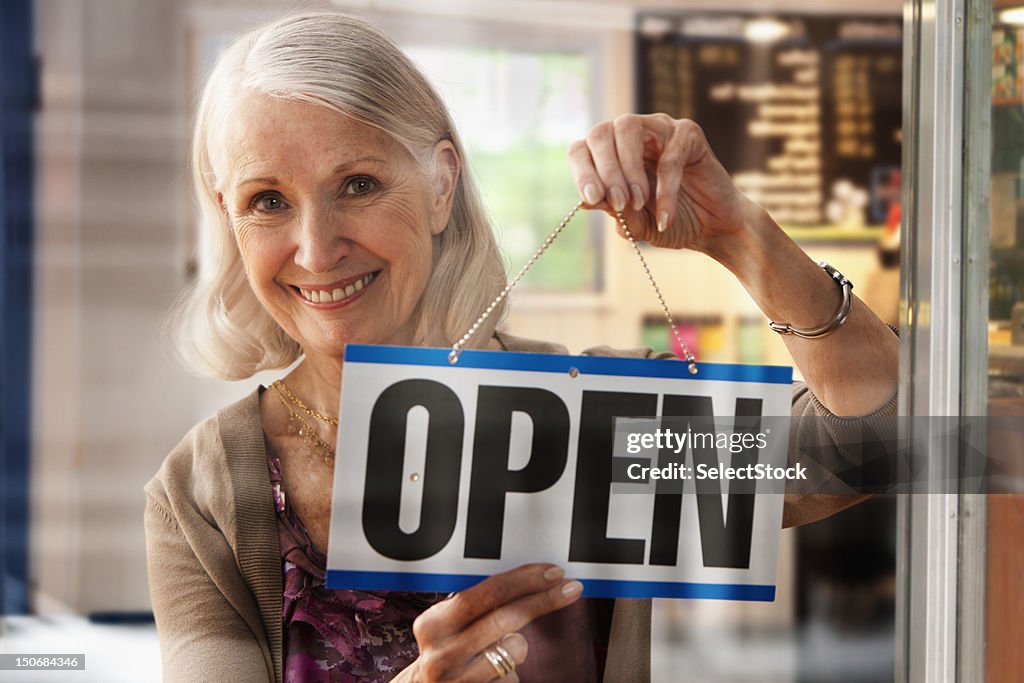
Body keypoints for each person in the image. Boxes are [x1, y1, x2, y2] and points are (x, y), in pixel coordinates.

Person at [144, 11, 899, 683]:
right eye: (267, 201)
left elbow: (875, 441)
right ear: (227, 216)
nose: (315, 249)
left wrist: (740, 235)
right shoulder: (200, 496)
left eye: (358, 184)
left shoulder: (586, 419)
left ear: (441, 185)